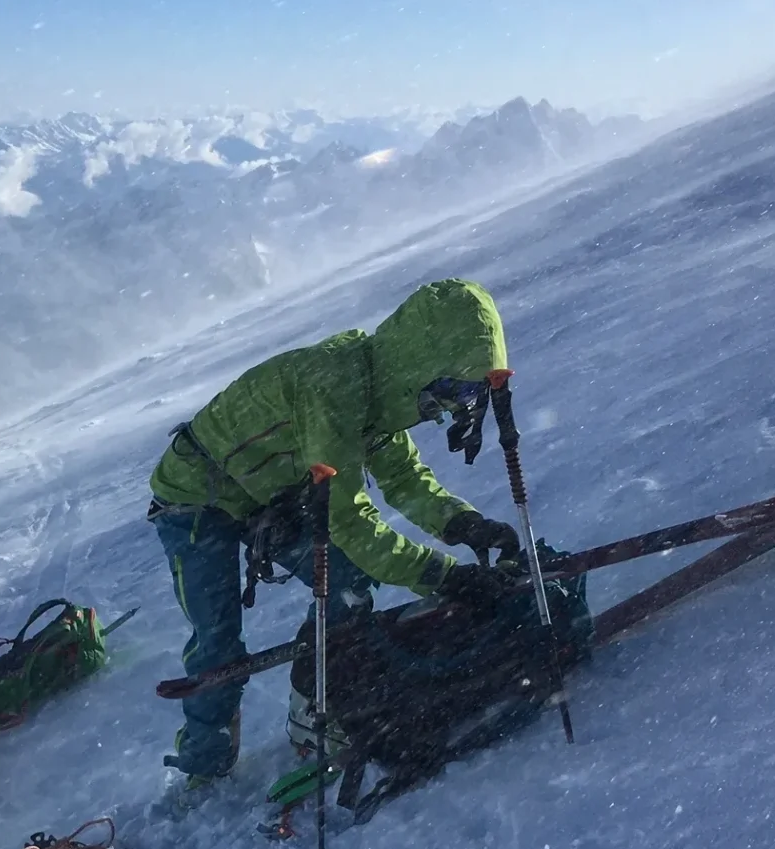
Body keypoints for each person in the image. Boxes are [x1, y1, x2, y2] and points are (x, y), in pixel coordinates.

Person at [147, 278, 527, 782]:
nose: (451, 407)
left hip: (270, 494)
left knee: (346, 584)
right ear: (417, 365)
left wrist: (464, 524)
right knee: (218, 641)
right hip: (196, 497)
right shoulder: (335, 388)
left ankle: (313, 707)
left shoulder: (380, 395)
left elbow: (405, 480)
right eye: (451, 390)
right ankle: (203, 760)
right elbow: (348, 520)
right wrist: (444, 575)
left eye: (465, 396)